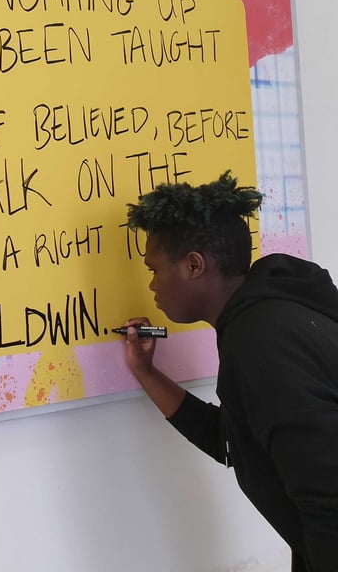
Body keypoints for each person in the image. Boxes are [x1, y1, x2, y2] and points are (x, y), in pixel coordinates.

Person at [122, 170, 338, 572]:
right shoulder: (268, 315)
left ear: (193, 265)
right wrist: (146, 372)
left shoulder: (262, 341)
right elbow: (233, 442)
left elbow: (328, 500)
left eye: (154, 269)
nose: (152, 285)